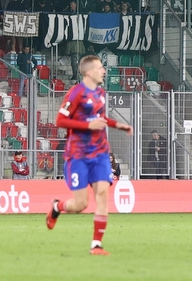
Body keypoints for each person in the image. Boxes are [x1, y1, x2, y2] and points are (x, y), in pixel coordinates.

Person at [46, 55, 133, 256]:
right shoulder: (75, 93)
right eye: (100, 68)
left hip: (100, 152)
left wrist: (117, 125)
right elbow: (60, 120)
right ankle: (57, 207)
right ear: (89, 72)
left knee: (102, 193)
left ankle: (96, 245)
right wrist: (87, 125)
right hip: (78, 154)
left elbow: (99, 118)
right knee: (80, 204)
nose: (104, 71)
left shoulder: (101, 93)